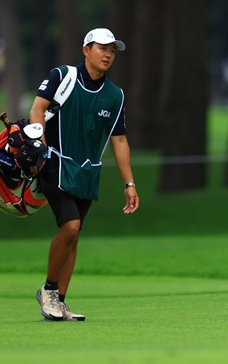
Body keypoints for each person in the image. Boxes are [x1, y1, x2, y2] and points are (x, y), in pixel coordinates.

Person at [29, 28, 139, 321]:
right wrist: (40, 146)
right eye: (102, 48)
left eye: (112, 51)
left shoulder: (115, 95)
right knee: (71, 227)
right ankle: (49, 291)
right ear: (86, 50)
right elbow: (37, 109)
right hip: (54, 163)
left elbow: (119, 140)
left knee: (73, 237)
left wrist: (129, 183)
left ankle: (60, 301)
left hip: (89, 172)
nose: (108, 55)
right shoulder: (62, 76)